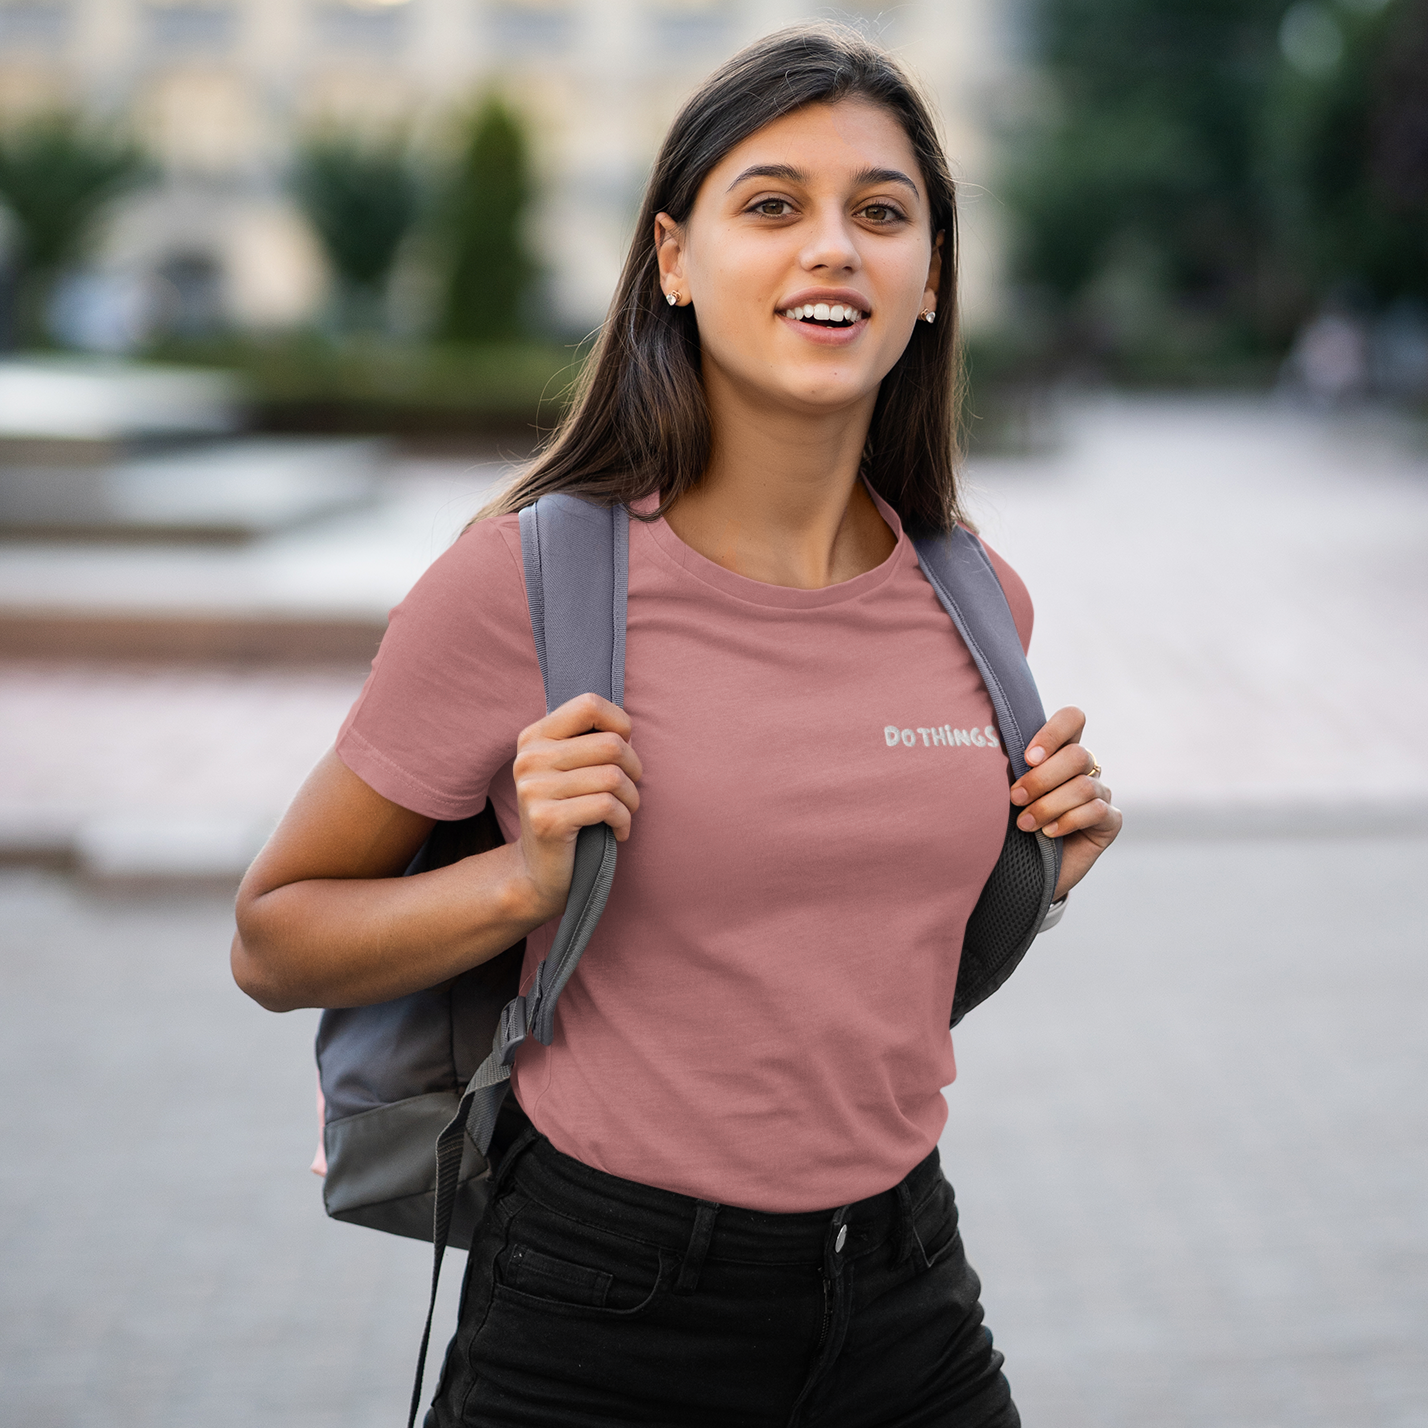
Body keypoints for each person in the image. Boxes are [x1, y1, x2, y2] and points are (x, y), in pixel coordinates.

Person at [232, 23, 1121, 1428]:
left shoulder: (977, 599)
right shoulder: (522, 583)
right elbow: (273, 940)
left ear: (932, 277)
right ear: (674, 260)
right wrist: (519, 883)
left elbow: (863, 993)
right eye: (772, 206)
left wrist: (1039, 870)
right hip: (602, 1312)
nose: (833, 245)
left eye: (881, 213)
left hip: (904, 1290)